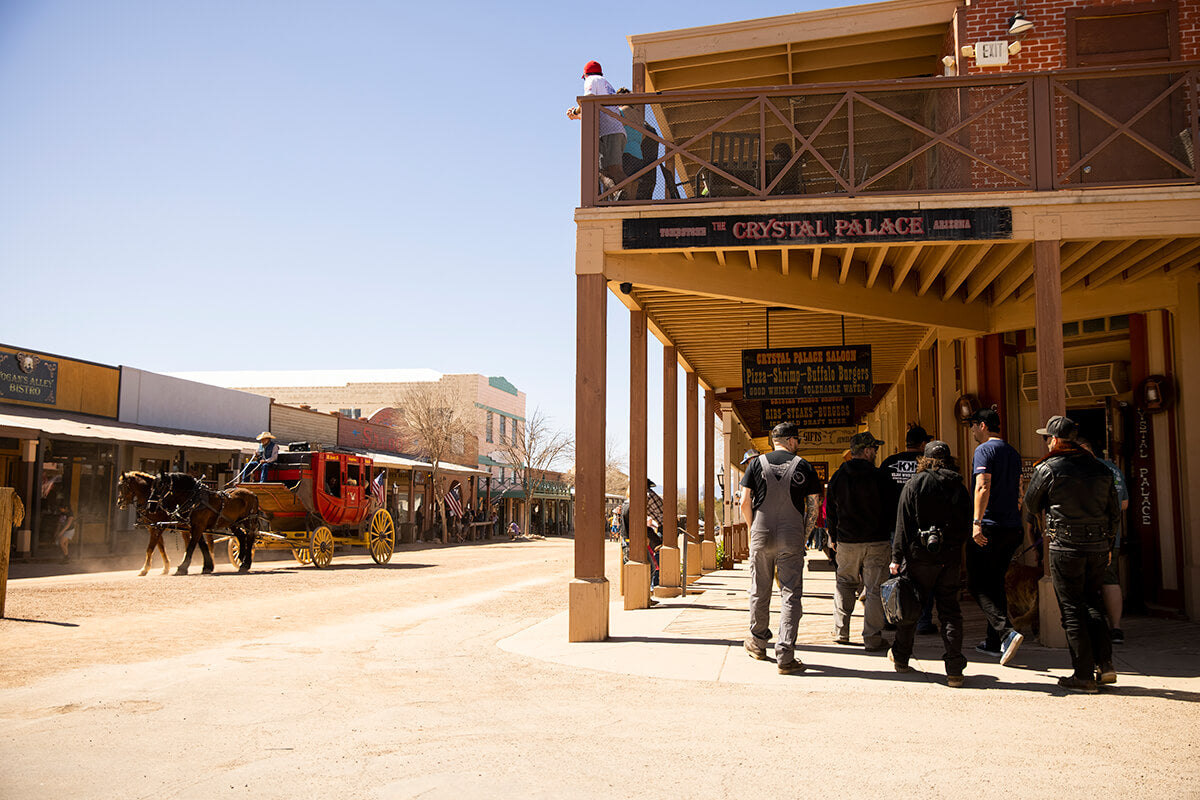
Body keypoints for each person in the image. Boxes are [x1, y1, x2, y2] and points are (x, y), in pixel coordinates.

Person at [1023, 416, 1122, 693]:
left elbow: (1031, 504)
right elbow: (1114, 513)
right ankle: (1105, 664)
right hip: (1099, 546)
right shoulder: (1101, 468)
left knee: (1072, 608)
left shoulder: (1048, 467)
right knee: (1093, 602)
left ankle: (1083, 674)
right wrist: (1108, 544)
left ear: (1054, 440)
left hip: (1065, 545)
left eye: (1047, 438)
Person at [740, 422, 822, 674]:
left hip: (761, 534)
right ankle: (785, 656)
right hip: (791, 534)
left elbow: (744, 501)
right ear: (791, 440)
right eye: (797, 440)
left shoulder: (755, 464)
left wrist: (754, 529)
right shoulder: (805, 466)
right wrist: (804, 536)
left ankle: (757, 642)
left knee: (759, 589)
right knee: (790, 593)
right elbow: (813, 507)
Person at [889, 441, 972, 686]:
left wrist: (896, 558)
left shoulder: (914, 484)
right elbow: (966, 525)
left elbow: (902, 526)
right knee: (950, 612)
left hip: (919, 558)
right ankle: (954, 669)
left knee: (911, 609)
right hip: (949, 559)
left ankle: (901, 658)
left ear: (924, 460)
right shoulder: (958, 485)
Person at [965, 407, 1025, 665]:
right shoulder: (1013, 452)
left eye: (973, 426)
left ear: (982, 425)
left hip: (990, 525)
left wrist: (977, 522)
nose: (971, 432)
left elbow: (983, 485)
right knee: (995, 582)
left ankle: (1005, 632)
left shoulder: (984, 450)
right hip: (1012, 526)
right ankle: (994, 642)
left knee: (976, 584)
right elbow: (1020, 487)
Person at [826, 431, 893, 651]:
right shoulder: (881, 476)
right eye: (874, 449)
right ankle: (872, 638)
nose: (876, 452)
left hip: (847, 541)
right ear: (866, 450)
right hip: (877, 541)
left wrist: (833, 536)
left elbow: (831, 512)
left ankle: (841, 632)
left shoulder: (838, 476)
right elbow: (891, 509)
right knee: (874, 590)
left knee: (844, 584)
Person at [879, 424, 938, 635]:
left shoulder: (888, 464)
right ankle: (923, 620)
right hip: (921, 529)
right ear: (923, 444)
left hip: (894, 527)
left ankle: (892, 617)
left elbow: (879, 496)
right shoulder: (927, 465)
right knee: (924, 573)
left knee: (894, 573)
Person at [1078, 436, 1130, 644]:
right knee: (1110, 579)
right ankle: (1116, 628)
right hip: (1111, 536)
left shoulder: (1083, 470)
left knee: (1084, 583)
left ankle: (1088, 630)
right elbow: (1124, 503)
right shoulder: (1113, 469)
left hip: (1086, 537)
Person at [567, 61, 627, 199]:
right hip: (615, 131)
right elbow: (594, 110)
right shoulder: (605, 83)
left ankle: (627, 194)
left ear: (586, 74)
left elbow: (587, 100)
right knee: (605, 171)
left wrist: (575, 111)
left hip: (609, 132)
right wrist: (577, 116)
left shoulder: (592, 80)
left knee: (612, 170)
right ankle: (620, 194)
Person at [53, 496, 76, 564]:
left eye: (61, 508)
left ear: (66, 508)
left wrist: (61, 532)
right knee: (65, 544)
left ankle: (66, 557)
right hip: (64, 530)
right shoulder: (62, 513)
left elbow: (68, 525)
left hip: (69, 530)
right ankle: (65, 558)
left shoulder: (70, 514)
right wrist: (57, 531)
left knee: (61, 543)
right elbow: (59, 523)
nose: (60, 509)